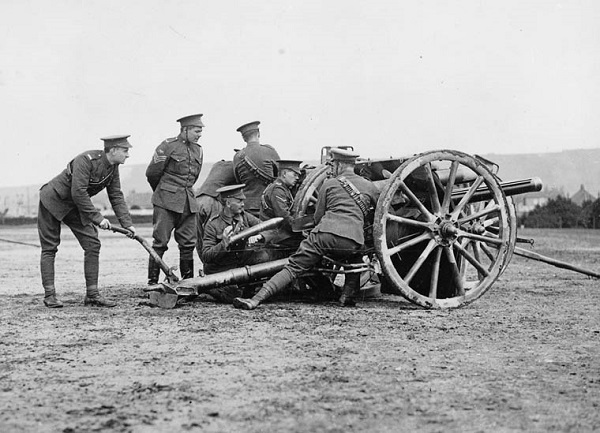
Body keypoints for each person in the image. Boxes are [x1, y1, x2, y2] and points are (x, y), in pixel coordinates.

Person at [233, 148, 380, 310]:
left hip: (324, 236)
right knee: (356, 256)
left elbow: (318, 218)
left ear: (339, 165)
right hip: (354, 239)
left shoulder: (329, 184)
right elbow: (380, 217)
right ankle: (347, 297)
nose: (332, 168)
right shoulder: (370, 187)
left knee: (293, 267)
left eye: (333, 165)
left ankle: (255, 300)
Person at [37, 135, 136, 308]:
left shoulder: (113, 168)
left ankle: (92, 295)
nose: (128, 155)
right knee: (50, 247)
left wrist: (127, 224)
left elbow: (116, 195)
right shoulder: (86, 160)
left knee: (92, 244)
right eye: (125, 150)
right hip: (53, 199)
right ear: (113, 150)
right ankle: (50, 296)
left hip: (74, 205)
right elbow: (79, 192)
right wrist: (98, 219)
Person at [146, 113, 204, 285]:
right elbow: (152, 173)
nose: (199, 134)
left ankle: (187, 283)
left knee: (188, 244)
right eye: (196, 131)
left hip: (188, 203)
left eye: (200, 131)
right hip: (166, 202)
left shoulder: (198, 150)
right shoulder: (167, 146)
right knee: (160, 242)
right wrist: (164, 192)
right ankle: (152, 282)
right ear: (185, 130)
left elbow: (193, 177)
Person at [201, 184, 270, 302]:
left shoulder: (245, 216)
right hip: (222, 269)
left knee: (264, 256)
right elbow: (206, 256)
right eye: (239, 201)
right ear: (228, 203)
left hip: (241, 265)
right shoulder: (213, 224)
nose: (243, 204)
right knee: (232, 296)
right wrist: (223, 244)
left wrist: (260, 237)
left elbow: (266, 227)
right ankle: (209, 288)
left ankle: (248, 286)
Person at [194, 160, 237, 268]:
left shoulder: (218, 165)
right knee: (216, 233)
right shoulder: (237, 167)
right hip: (212, 200)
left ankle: (206, 265)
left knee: (201, 238)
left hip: (198, 199)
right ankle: (213, 267)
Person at [232, 121, 280, 217]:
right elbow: (279, 174)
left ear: (244, 138)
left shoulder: (238, 156)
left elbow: (238, 180)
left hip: (247, 207)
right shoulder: (269, 151)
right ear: (259, 133)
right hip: (269, 204)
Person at [259, 160, 304, 256]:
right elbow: (284, 216)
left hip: (280, 231)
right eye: (295, 174)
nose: (297, 178)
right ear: (284, 174)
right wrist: (302, 229)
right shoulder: (277, 190)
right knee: (308, 242)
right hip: (276, 234)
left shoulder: (283, 188)